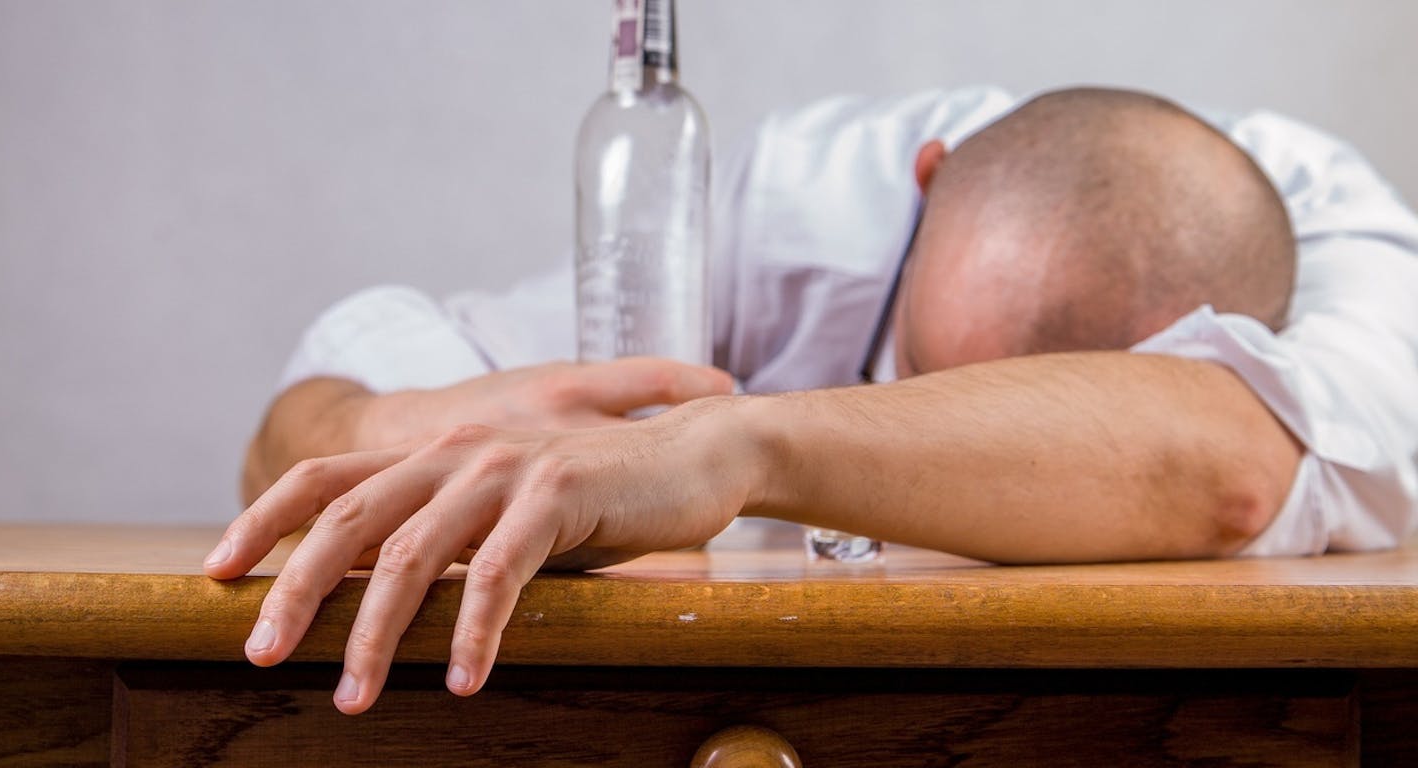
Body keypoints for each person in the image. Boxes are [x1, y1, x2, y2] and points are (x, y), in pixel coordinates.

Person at [205, 86, 1418, 714]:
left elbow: (1230, 472)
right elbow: (324, 395)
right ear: (923, 183)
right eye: (917, 371)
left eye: (1020, 412)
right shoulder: (797, 201)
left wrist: (727, 450)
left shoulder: (1350, 242)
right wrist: (383, 430)